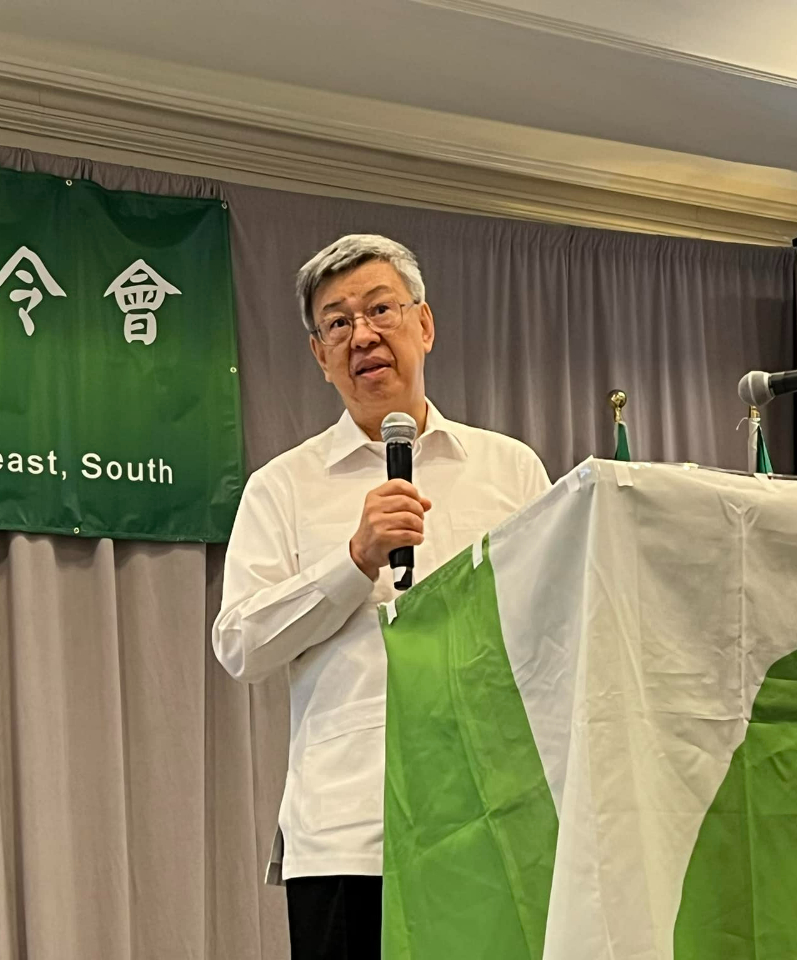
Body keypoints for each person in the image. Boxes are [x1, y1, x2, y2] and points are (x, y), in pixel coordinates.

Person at [211, 234, 550, 959]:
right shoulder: (282, 486)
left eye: (379, 310)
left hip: (488, 816)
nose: (361, 335)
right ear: (319, 354)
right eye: (337, 322)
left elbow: (553, 629)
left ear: (423, 324)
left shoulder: (510, 468)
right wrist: (353, 560)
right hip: (347, 832)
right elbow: (240, 644)